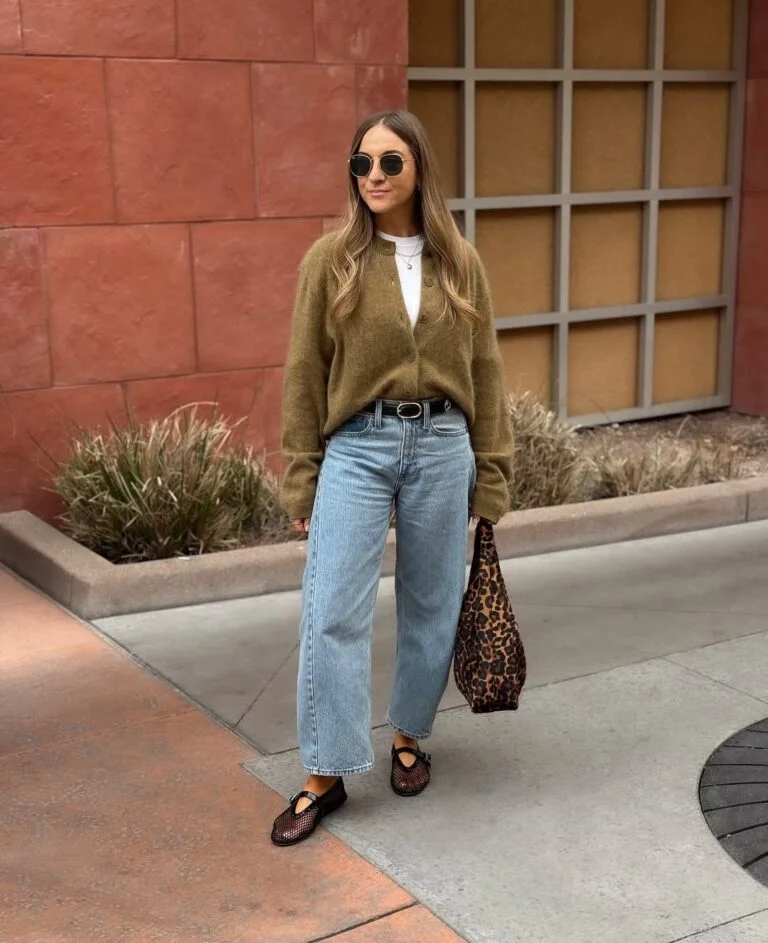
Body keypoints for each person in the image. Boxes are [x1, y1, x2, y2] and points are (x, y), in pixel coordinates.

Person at [271, 110, 512, 846]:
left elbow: (486, 370)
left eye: (389, 162)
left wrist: (493, 473)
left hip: (443, 443)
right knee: (332, 610)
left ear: (418, 169)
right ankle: (326, 771)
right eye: (362, 163)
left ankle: (409, 736)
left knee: (431, 602)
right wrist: (302, 476)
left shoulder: (459, 260)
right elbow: (304, 371)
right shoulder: (331, 259)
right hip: (357, 445)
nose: (373, 175)